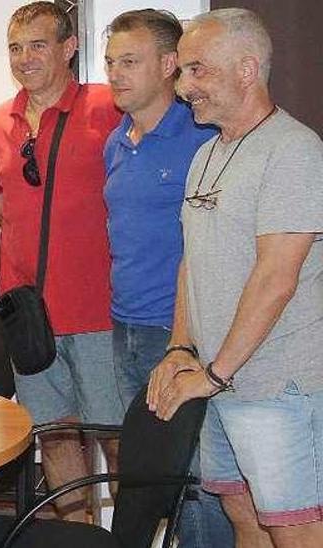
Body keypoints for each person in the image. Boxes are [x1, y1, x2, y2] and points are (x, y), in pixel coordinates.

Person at [147, 8, 323, 548]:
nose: (182, 89)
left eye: (196, 70)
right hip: (219, 378)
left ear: (247, 70)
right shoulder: (206, 154)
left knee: (293, 529)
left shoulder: (294, 151)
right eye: (182, 73)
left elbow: (277, 278)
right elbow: (192, 261)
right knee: (242, 515)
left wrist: (216, 374)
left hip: (275, 385)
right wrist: (181, 347)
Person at [0, 1, 124, 520]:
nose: (25, 58)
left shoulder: (110, 107)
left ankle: (135, 535)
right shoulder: (0, 122)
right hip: (29, 319)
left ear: (69, 47)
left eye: (38, 45)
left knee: (117, 439)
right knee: (56, 437)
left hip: (101, 314)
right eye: (16, 48)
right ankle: (79, 535)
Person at [101, 9, 231, 547]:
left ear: (169, 64)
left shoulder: (201, 139)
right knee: (148, 478)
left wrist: (186, 343)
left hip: (182, 337)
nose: (115, 74)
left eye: (129, 62)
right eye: (110, 62)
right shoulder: (116, 140)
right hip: (125, 328)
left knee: (197, 480)